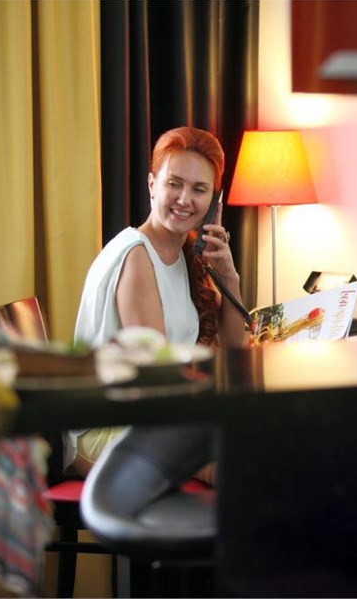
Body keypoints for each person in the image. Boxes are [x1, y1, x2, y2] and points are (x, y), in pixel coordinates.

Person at [69, 126, 249, 478]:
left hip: (158, 417)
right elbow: (157, 378)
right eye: (174, 184)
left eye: (199, 189)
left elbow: (232, 345)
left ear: (214, 201)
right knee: (240, 461)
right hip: (111, 426)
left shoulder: (185, 255)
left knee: (258, 441)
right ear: (152, 184)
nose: (184, 199)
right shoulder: (136, 254)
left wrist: (229, 277)